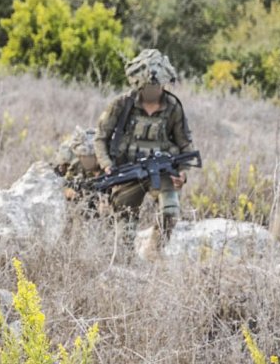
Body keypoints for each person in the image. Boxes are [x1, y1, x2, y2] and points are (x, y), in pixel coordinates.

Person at [93, 49, 195, 251]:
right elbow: (100, 138)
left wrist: (183, 172)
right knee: (124, 223)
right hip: (129, 170)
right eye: (148, 86)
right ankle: (125, 260)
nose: (153, 90)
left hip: (162, 171)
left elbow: (185, 144)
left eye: (156, 86)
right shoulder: (121, 104)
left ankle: (154, 252)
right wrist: (107, 166)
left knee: (170, 209)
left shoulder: (173, 107)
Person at [52, 126, 105, 217]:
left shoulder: (106, 165)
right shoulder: (71, 160)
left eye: (92, 157)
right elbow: (54, 181)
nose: (88, 161)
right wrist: (66, 191)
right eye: (84, 157)